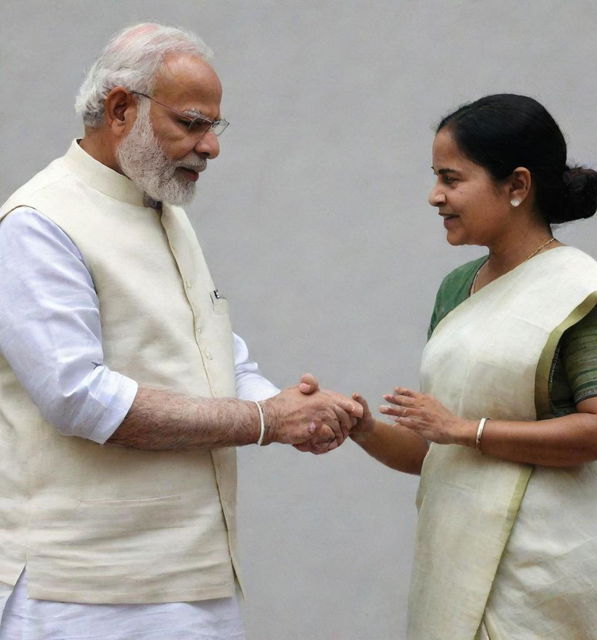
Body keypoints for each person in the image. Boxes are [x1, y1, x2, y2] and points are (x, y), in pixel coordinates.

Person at [0, 23, 361, 639]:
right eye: (192, 123)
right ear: (120, 109)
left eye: (213, 128)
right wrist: (266, 421)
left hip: (194, 579)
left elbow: (218, 361)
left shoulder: (161, 211)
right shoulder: (38, 223)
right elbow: (76, 397)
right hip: (87, 591)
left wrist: (292, 406)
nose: (209, 147)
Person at [350, 94, 597, 639]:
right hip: (456, 555)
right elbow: (442, 452)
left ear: (517, 186)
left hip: (552, 571)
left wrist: (466, 429)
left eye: (451, 179)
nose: (435, 196)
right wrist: (364, 430)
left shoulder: (579, 294)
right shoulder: (458, 288)